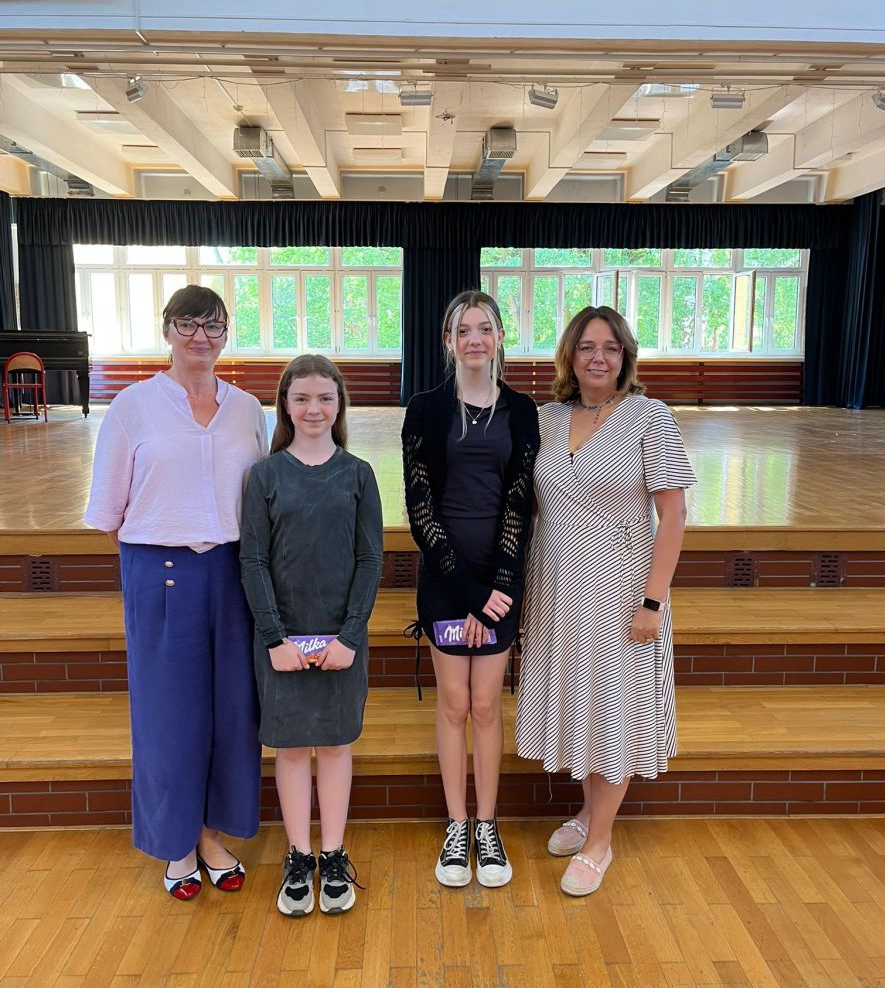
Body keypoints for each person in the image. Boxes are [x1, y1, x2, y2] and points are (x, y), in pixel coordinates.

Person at [84, 285, 268, 900]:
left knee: (233, 712)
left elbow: (258, 497)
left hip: (234, 572)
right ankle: (176, 844)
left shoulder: (247, 409)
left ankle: (213, 835)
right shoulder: (132, 406)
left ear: (226, 334)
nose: (200, 336)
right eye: (187, 323)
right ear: (167, 330)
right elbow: (109, 511)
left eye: (213, 325)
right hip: (158, 571)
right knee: (168, 717)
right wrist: (160, 552)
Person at [516, 306, 695, 897]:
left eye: (611, 348)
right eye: (587, 346)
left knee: (615, 712)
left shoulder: (649, 417)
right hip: (556, 590)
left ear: (625, 357)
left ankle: (600, 842)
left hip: (621, 593)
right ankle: (589, 811)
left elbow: (674, 515)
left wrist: (653, 601)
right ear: (569, 355)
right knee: (580, 708)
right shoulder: (545, 419)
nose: (598, 357)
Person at [402, 290, 539, 889]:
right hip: (445, 580)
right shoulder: (424, 409)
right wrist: (468, 592)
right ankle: (456, 825)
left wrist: (499, 587)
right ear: (448, 341)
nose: (475, 339)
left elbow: (519, 502)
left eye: (485, 328)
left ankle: (487, 823)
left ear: (499, 337)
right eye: (464, 330)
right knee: (454, 703)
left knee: (487, 705)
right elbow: (420, 507)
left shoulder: (522, 410)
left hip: (500, 580)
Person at [240, 355, 382, 916]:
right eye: (302, 398)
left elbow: (370, 559)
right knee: (294, 748)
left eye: (325, 398)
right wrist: (274, 639)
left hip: (341, 640)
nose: (314, 408)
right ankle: (298, 855)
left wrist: (350, 636)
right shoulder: (266, 476)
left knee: (336, 745)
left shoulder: (358, 474)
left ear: (340, 404)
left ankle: (333, 853)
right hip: (282, 642)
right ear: (285, 405)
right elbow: (253, 561)